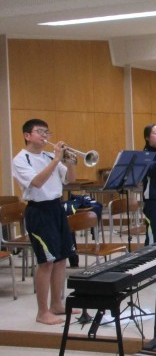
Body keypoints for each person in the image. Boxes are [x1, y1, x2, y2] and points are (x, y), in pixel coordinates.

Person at [11, 119, 77, 325]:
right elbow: (38, 182)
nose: (44, 136)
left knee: (61, 258)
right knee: (46, 262)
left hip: (56, 208)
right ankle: (42, 312)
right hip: (39, 211)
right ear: (27, 136)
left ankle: (57, 304)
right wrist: (56, 159)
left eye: (46, 132)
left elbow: (70, 180)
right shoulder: (21, 159)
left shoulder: (49, 156)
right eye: (39, 132)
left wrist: (69, 161)